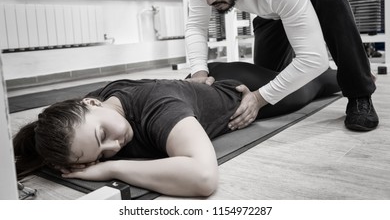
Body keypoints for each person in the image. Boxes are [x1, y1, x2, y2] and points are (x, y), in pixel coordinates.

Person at [13, 62, 340, 197]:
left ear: (91, 103)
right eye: (100, 154)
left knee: (322, 80)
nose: (114, 145)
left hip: (246, 90)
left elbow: (203, 178)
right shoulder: (86, 113)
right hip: (199, 86)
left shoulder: (158, 108)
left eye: (103, 137)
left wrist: (109, 168)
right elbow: (56, 140)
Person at [185, 0, 379, 132]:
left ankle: (359, 91)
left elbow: (313, 59)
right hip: (271, 12)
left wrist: (257, 99)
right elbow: (196, 25)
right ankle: (337, 76)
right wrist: (199, 73)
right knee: (274, 85)